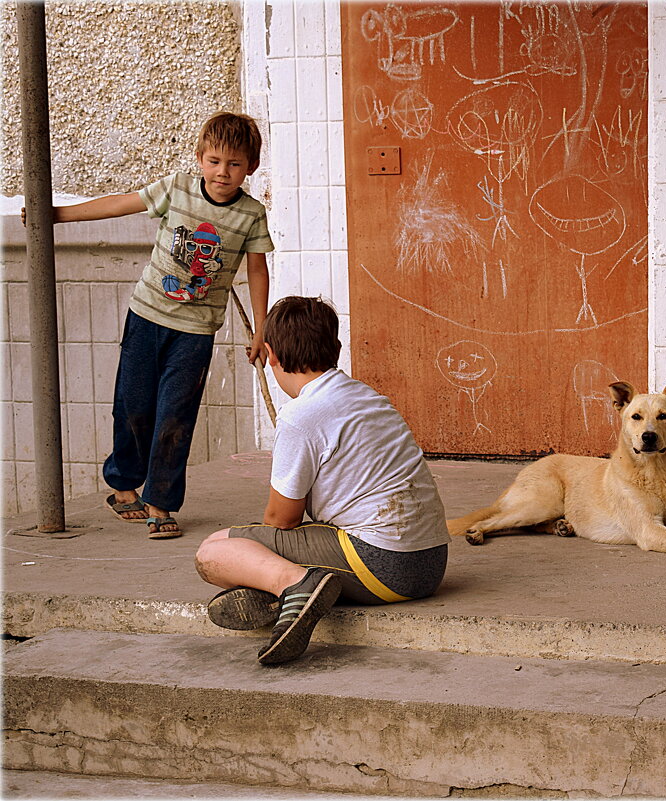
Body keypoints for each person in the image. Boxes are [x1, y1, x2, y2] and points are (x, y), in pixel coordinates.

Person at [22, 112, 273, 538]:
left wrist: (262, 330)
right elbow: (121, 202)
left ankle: (161, 503)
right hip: (147, 316)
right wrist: (57, 215)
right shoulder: (176, 189)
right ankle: (122, 485)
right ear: (199, 159)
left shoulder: (251, 214)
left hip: (196, 331)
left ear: (251, 166)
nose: (222, 172)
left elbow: (258, 270)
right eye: (214, 161)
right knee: (133, 404)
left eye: (234, 164)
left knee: (176, 415)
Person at [194, 296, 450, 665]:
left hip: (386, 568)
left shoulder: (301, 415)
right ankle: (289, 596)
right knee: (242, 549)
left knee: (215, 550)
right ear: (336, 348)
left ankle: (295, 587)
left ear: (271, 354)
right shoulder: (370, 398)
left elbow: (282, 520)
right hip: (430, 565)